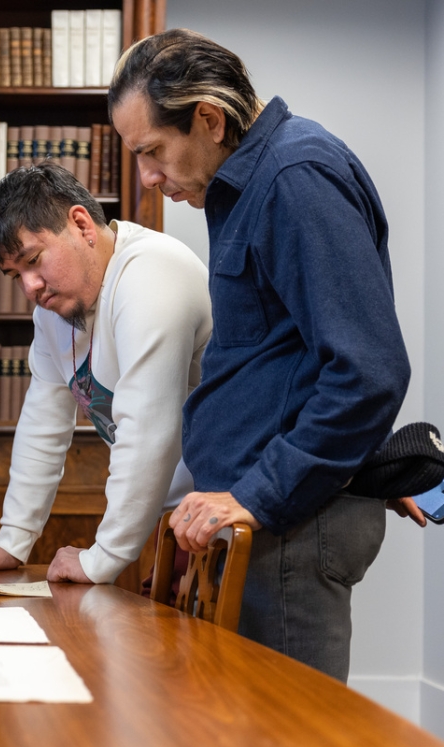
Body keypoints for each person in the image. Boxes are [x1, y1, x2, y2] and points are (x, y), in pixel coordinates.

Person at [108, 28, 412, 681]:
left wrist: (259, 492)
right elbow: (288, 357)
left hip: (291, 526)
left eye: (153, 151)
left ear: (208, 119)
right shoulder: (249, 187)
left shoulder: (293, 178)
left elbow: (368, 368)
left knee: (285, 727)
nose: (148, 176)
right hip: (273, 518)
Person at [0, 162, 212, 586]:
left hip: (225, 521)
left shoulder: (151, 274)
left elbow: (148, 431)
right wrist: (13, 541)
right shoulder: (55, 311)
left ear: (82, 224)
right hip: (180, 522)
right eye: (16, 275)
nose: (30, 286)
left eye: (34, 260)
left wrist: (102, 558)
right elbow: (43, 424)